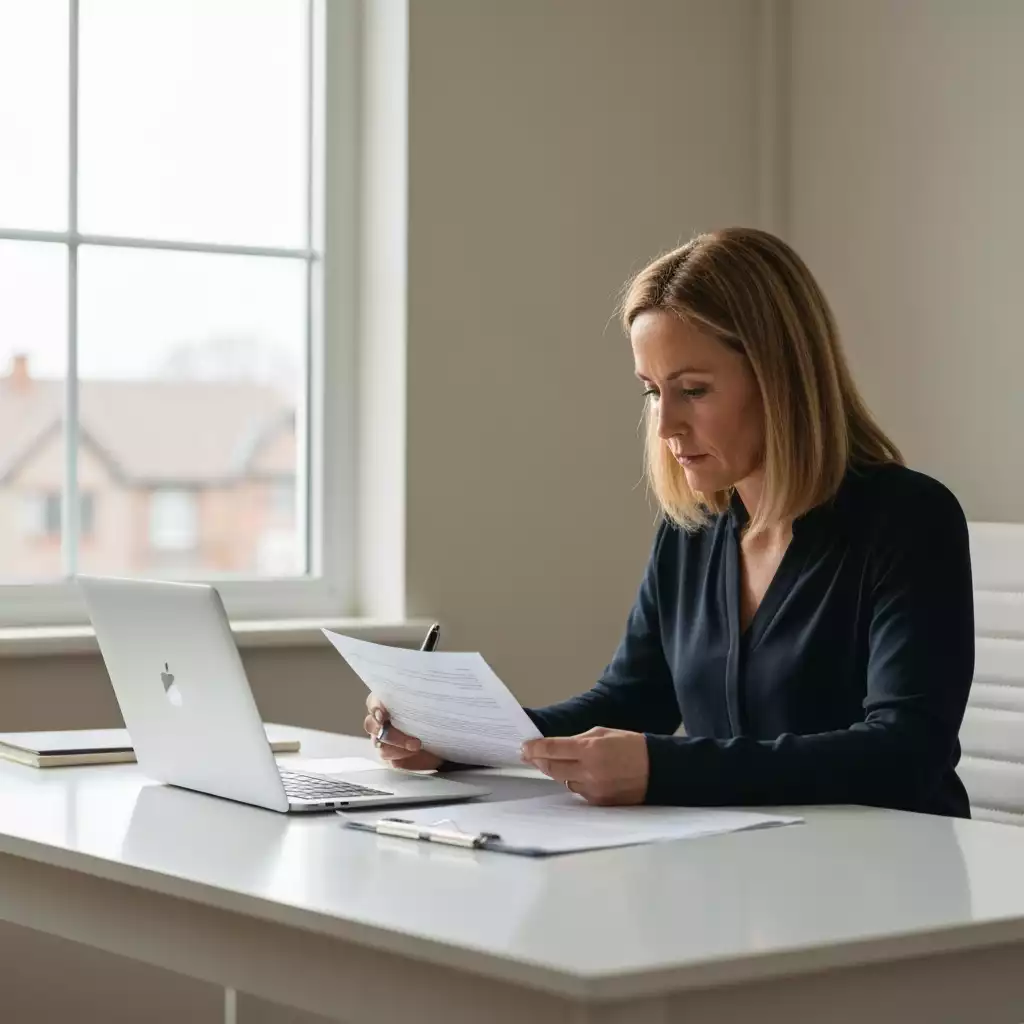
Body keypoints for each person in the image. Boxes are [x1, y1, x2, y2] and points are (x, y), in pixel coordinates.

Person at [364, 227, 975, 817]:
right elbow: (633, 701)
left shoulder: (910, 520)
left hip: (893, 881)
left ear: (780, 379)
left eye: (695, 390)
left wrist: (665, 768)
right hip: (746, 875)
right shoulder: (694, 532)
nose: (666, 426)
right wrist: (459, 738)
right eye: (653, 391)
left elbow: (905, 750)